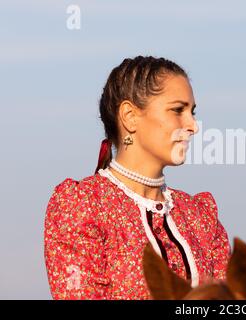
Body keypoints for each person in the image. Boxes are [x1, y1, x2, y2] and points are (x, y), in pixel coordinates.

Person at [44, 55, 231, 299]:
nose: (193, 126)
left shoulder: (200, 216)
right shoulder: (81, 206)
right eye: (178, 110)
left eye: (192, 112)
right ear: (130, 116)